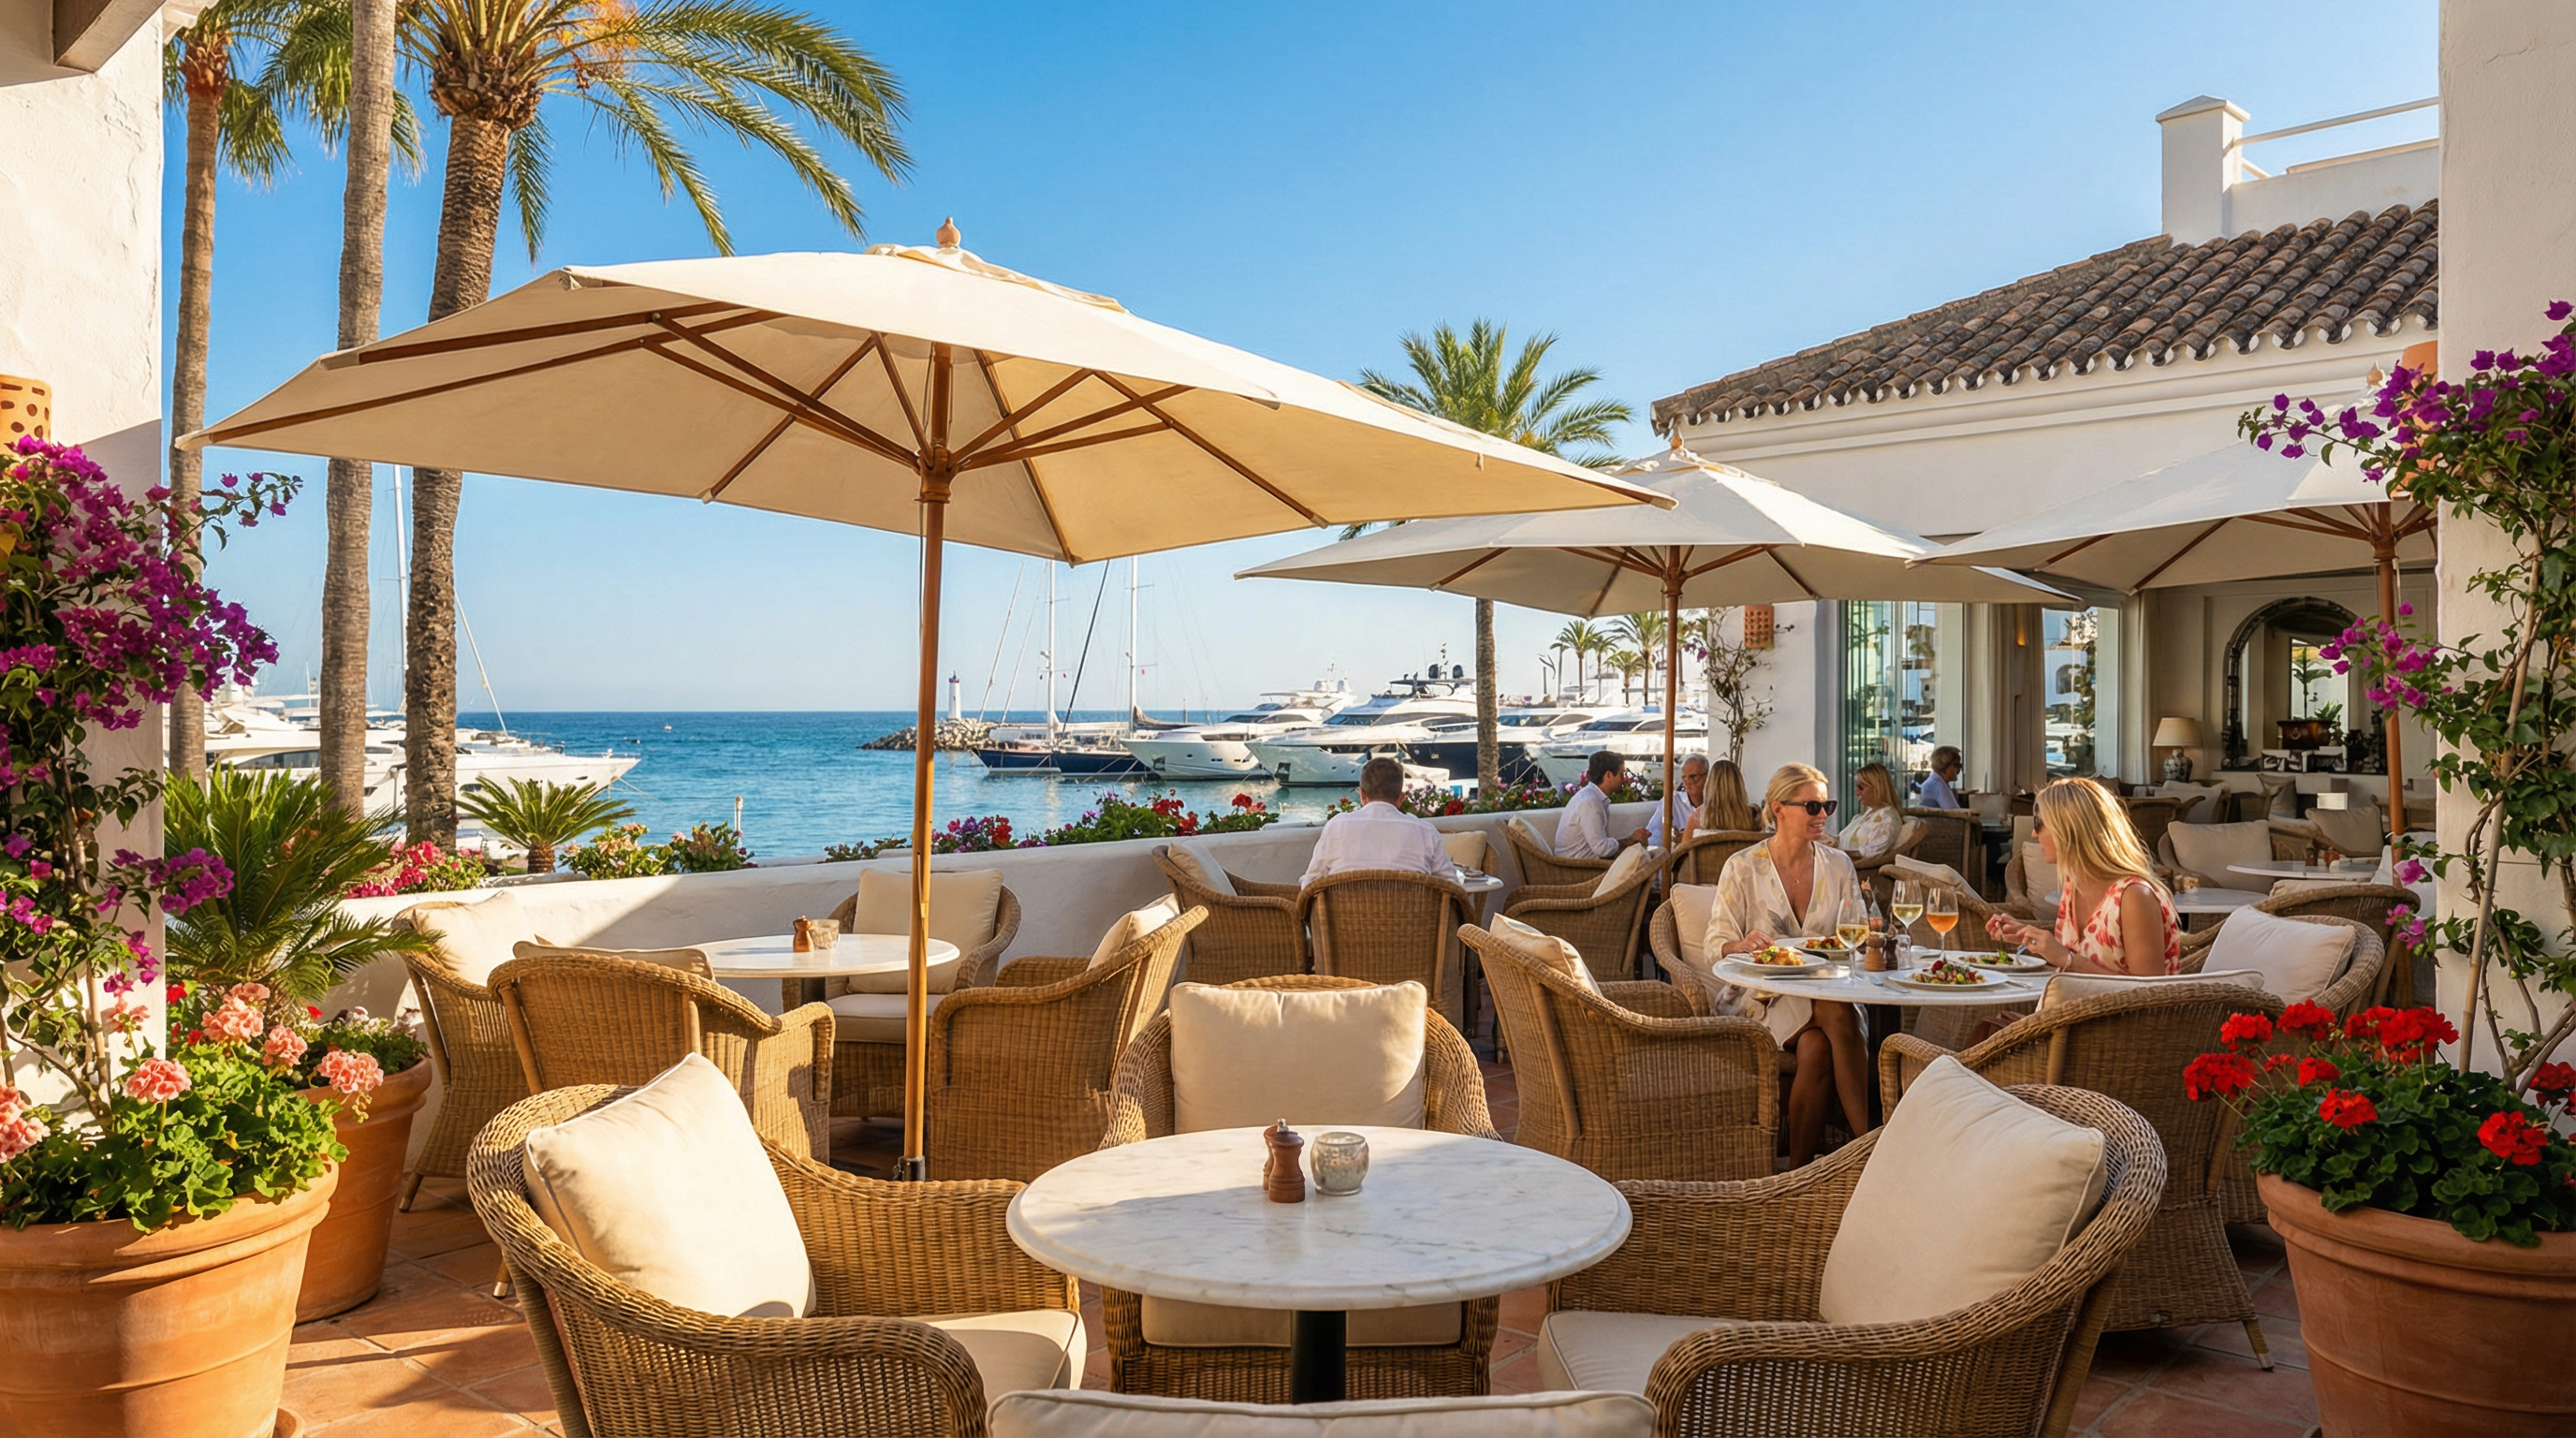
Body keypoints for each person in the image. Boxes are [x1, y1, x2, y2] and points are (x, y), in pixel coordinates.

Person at [1702, 764, 1873, 1167]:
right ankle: (1871, 1145)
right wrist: (1740, 944)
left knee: (1816, 1046)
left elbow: (1858, 933)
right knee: (1835, 1013)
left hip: (1829, 989)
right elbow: (1713, 946)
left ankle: (1797, 1173)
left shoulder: (1838, 865)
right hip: (1762, 994)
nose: (1823, 815)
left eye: (1827, 804)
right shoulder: (1742, 867)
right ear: (1778, 808)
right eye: (1812, 805)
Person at [1984, 777, 2180, 976]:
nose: (2034, 834)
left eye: (2039, 823)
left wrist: (2064, 959)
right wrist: (2029, 937)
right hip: (2073, 1005)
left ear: (2070, 829)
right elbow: (2080, 958)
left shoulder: (2134, 897)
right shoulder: (2074, 884)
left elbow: (2148, 992)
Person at [1300, 756, 1451, 885]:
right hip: (1412, 918)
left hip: (1345, 918)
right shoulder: (1425, 831)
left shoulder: (1336, 826)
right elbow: (1452, 885)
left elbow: (1311, 882)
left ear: (1362, 795)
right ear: (1401, 798)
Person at [1557, 750, 1649, 858]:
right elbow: (1602, 849)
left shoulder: (1592, 797)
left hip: (1584, 864)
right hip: (1579, 869)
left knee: (1644, 857)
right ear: (1609, 775)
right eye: (1621, 774)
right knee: (1646, 860)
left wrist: (1631, 841)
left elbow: (1602, 846)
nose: (1624, 780)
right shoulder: (1590, 802)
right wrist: (1630, 840)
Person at [1836, 762, 1906, 862]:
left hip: (1855, 871)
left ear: (1878, 788)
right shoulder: (1864, 814)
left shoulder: (1888, 817)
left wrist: (1834, 854)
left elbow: (1870, 853)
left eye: (1861, 788)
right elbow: (1843, 840)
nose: (1856, 792)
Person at [1647, 753, 1709, 846]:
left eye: (1693, 777)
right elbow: (1654, 834)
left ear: (1707, 776)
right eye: (1684, 778)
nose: (1688, 782)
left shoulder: (1717, 803)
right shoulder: (1672, 801)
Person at [1695, 757, 1763, 833]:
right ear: (1739, 785)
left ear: (1710, 785)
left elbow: (1685, 845)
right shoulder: (1754, 817)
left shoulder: (1699, 817)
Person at [1917, 745, 1966, 809]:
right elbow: (1955, 812)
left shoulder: (1934, 782)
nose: (1959, 768)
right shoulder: (1938, 784)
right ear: (1944, 765)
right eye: (1956, 765)